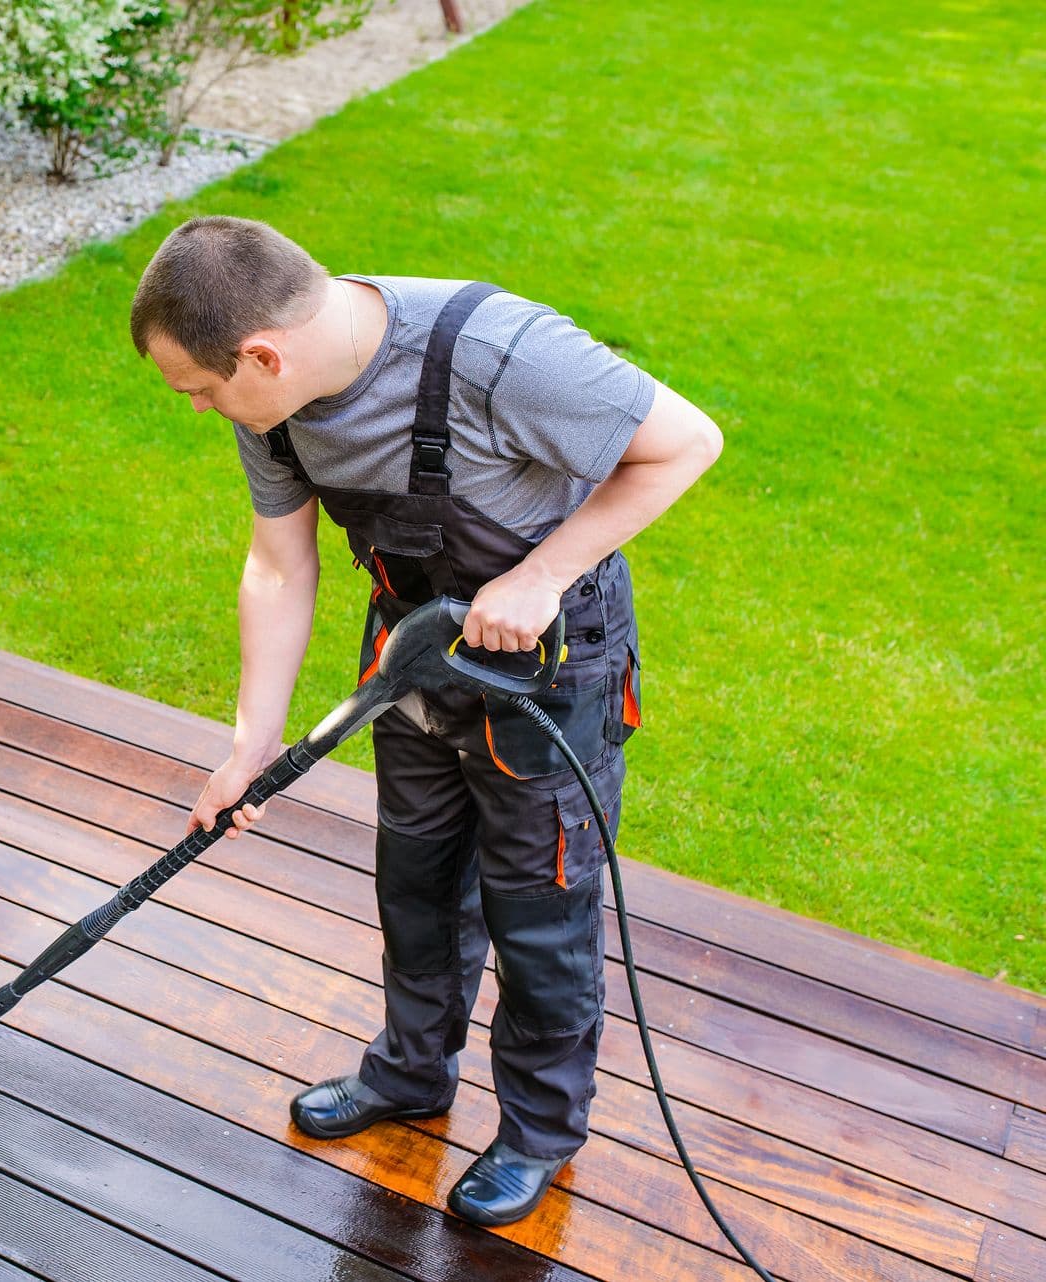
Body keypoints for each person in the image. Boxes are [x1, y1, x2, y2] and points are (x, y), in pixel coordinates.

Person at [129, 215, 723, 1227]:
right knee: (416, 881)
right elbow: (278, 564)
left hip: (549, 665)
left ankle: (538, 1131)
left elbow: (686, 442)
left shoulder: (501, 354)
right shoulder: (272, 403)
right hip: (412, 652)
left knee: (539, 914)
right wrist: (250, 744)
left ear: (262, 355)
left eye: (199, 388)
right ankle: (411, 1070)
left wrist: (541, 575)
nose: (198, 405)